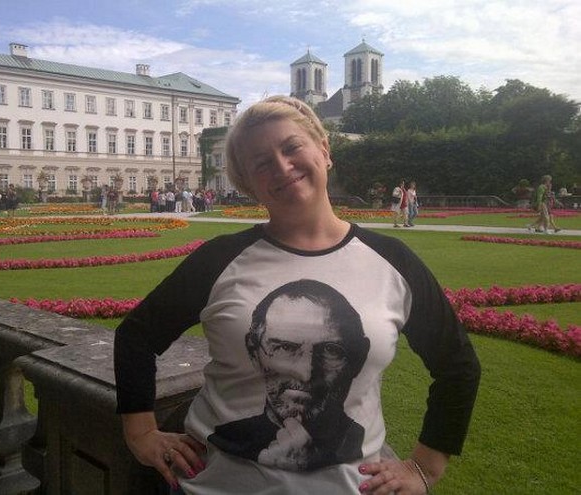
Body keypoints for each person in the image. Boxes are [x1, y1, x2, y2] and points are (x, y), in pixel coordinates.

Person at [114, 95, 481, 495]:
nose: (282, 166)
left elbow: (457, 365)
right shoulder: (219, 260)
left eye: (292, 147)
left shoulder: (393, 262)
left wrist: (425, 467)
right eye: (262, 163)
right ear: (249, 184)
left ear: (324, 150)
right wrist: (141, 433)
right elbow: (137, 336)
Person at [210, 279, 370, 471]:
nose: (305, 373)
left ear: (358, 359)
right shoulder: (225, 435)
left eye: (330, 350)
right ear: (254, 353)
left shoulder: (363, 442)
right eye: (285, 347)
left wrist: (408, 467)